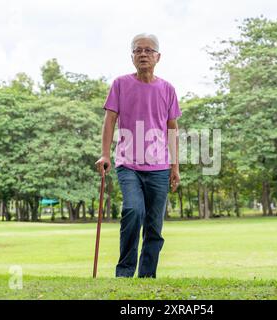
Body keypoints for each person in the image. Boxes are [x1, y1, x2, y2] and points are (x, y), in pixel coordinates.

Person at [95, 33, 182, 278]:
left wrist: (175, 167)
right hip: (128, 163)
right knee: (133, 211)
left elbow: (172, 129)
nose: (142, 54)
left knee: (154, 225)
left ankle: (146, 277)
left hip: (159, 166)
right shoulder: (120, 84)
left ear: (158, 56)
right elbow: (109, 120)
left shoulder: (167, 89)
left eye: (148, 50)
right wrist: (105, 155)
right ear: (132, 56)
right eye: (137, 50)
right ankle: (124, 273)